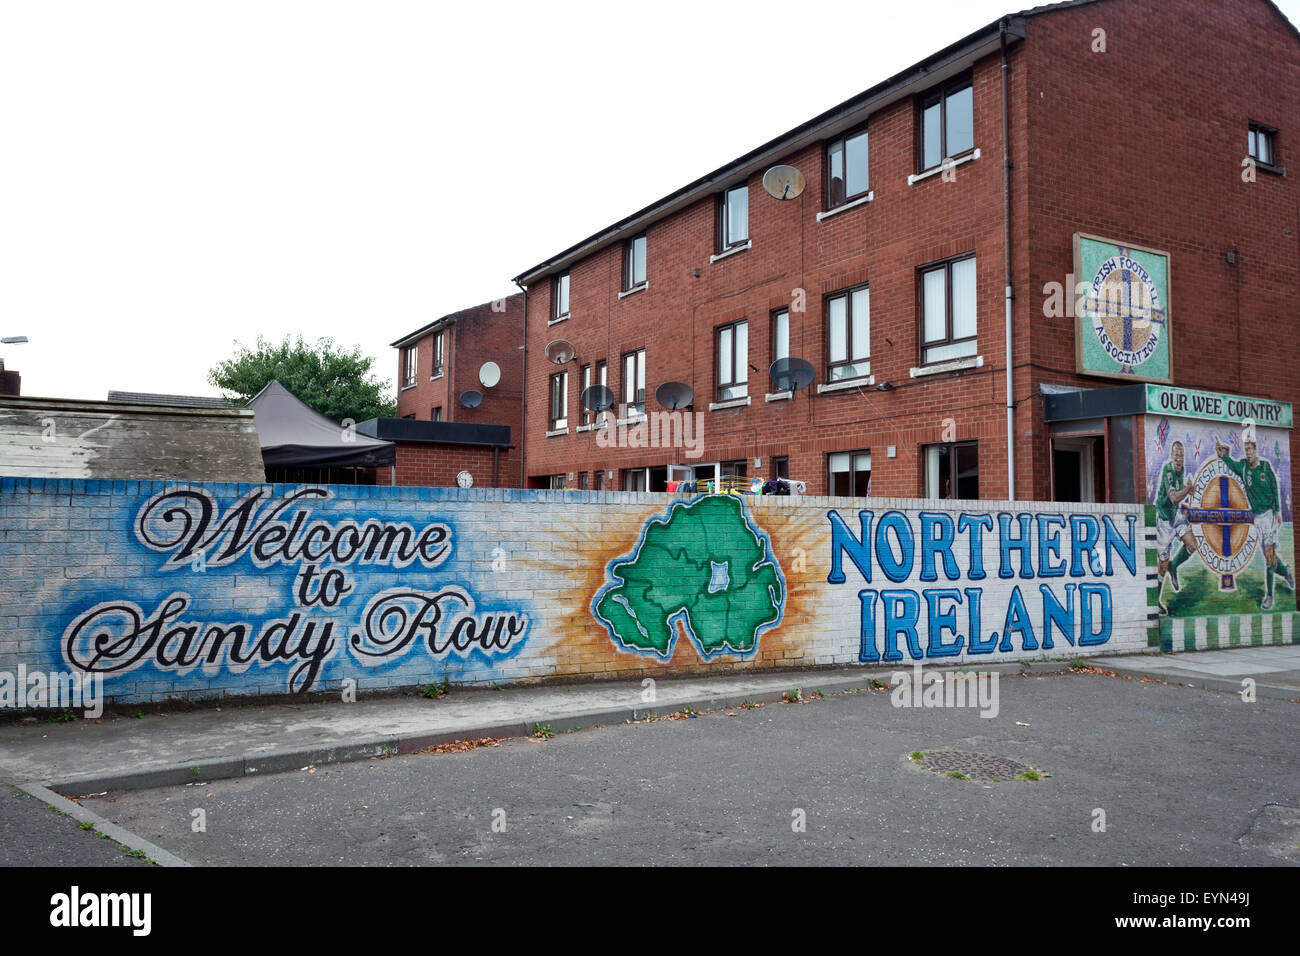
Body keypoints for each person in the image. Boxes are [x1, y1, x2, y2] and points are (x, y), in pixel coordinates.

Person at [1216, 435, 1294, 610]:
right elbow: (1232, 465)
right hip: (1257, 518)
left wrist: (1277, 511)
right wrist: (1223, 455)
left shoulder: (1265, 467)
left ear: (1256, 450)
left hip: (1269, 516)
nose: (1248, 453)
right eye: (1246, 450)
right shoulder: (1244, 468)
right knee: (1271, 559)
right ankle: (1286, 571)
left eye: (1251, 449)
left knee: (1268, 557)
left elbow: (1274, 488)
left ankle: (1269, 597)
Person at [1156, 441, 1198, 610]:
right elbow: (1173, 498)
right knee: (1162, 565)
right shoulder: (1168, 471)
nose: (1179, 458)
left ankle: (1174, 566)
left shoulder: (1182, 472)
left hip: (1176, 516)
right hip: (1165, 520)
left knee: (1192, 545)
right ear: (1172, 456)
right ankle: (1157, 601)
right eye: (1176, 455)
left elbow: (1182, 495)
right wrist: (1187, 490)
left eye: (1181, 455)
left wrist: (1189, 490)